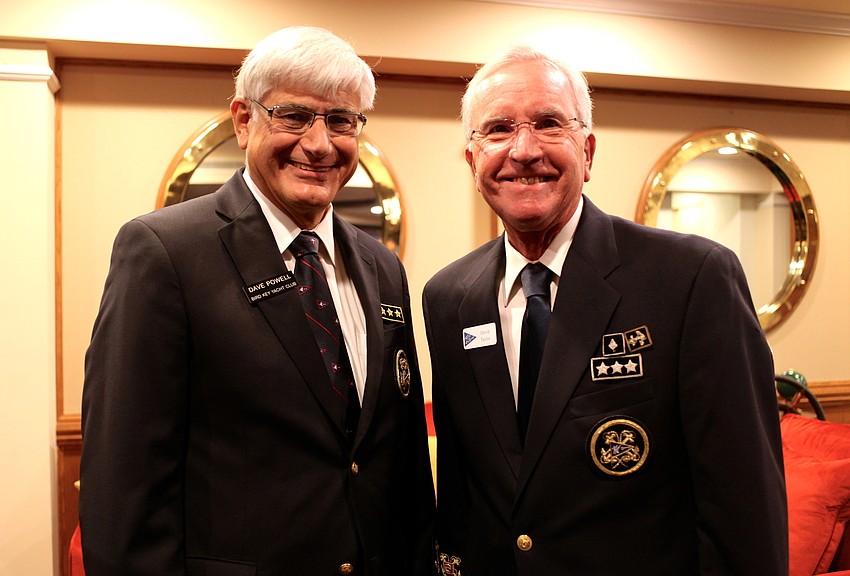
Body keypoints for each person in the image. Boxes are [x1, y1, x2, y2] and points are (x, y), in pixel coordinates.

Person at [80, 26, 435, 576]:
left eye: (341, 120)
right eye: (293, 115)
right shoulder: (164, 251)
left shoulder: (381, 266)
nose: (319, 143)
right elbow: (123, 479)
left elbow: (401, 456)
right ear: (244, 121)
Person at [423, 43, 787, 575]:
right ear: (473, 159)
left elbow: (743, 505)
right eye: (498, 129)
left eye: (549, 124)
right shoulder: (448, 297)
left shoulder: (691, 278)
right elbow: (462, 494)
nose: (523, 150)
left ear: (588, 152)